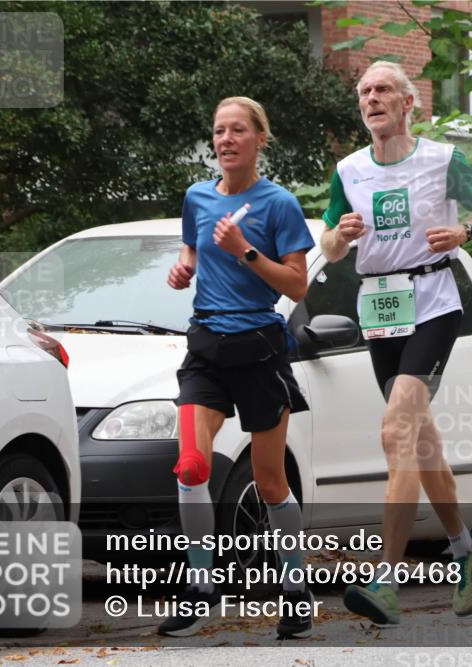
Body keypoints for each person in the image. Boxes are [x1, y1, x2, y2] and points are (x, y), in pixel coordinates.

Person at [320, 61, 472, 625]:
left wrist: (465, 232)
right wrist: (338, 236)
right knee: (422, 445)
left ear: (407, 103)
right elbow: (327, 247)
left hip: (433, 305)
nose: (371, 99)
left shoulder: (443, 160)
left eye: (382, 91)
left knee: (397, 427)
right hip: (379, 309)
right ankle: (466, 549)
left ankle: (385, 580)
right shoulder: (348, 170)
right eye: (364, 92)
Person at [160, 96, 314, 639]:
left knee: (270, 482)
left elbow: (297, 285)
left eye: (238, 131)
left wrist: (246, 249)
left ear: (259, 139)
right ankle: (200, 587)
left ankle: (294, 590)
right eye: (219, 131)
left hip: (259, 349)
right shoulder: (198, 197)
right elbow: (192, 251)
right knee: (191, 467)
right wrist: (184, 268)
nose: (225, 140)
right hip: (206, 346)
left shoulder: (279, 204)